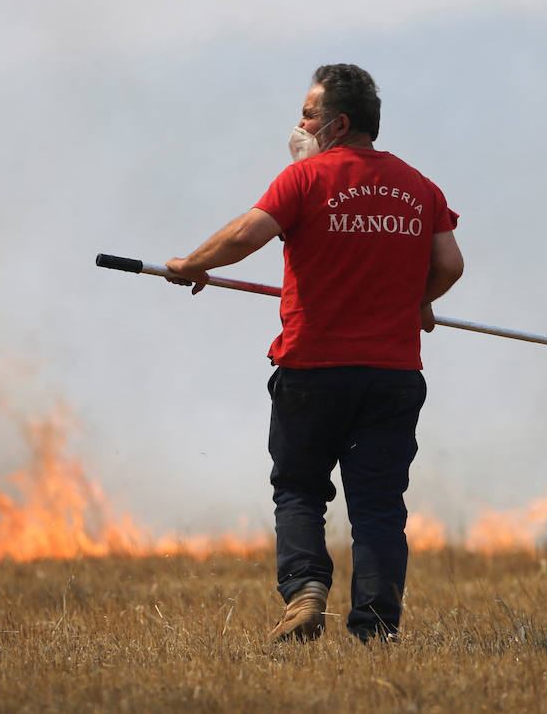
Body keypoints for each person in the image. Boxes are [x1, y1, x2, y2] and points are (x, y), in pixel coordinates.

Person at [165, 64, 463, 643]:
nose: (298, 123)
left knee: (300, 489)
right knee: (378, 506)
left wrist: (191, 263)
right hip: (394, 375)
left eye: (308, 113)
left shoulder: (304, 179)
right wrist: (417, 300)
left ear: (338, 123)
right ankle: (376, 628)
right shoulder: (420, 186)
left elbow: (245, 235)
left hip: (314, 370)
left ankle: (304, 593)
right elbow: (450, 265)